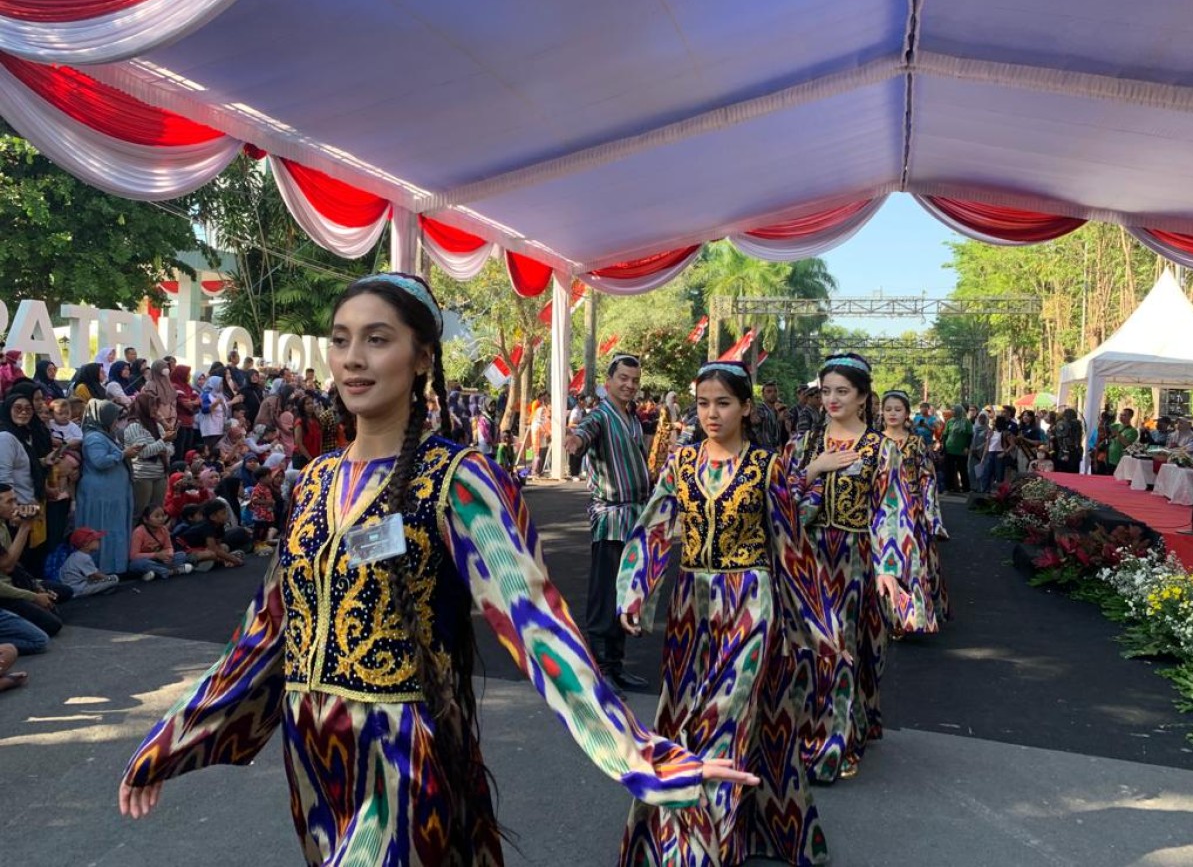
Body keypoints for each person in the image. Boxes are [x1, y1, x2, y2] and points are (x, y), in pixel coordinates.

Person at [118, 273, 755, 864]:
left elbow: (536, 622)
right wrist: (174, 739)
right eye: (341, 341)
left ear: (422, 357)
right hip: (312, 758)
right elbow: (266, 629)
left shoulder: (459, 479)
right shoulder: (312, 481)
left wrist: (637, 753)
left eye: (377, 339)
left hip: (400, 752)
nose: (353, 359)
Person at [616, 360, 837, 865]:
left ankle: (704, 847)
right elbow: (654, 527)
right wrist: (634, 589)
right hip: (690, 608)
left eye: (723, 403)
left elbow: (791, 545)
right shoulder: (681, 463)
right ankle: (685, 830)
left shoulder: (767, 466)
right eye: (702, 404)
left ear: (746, 408)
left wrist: (820, 627)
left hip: (750, 606)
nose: (711, 413)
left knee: (725, 719)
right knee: (683, 715)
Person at [782, 353, 917, 783]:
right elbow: (778, 501)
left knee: (846, 649)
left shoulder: (881, 449)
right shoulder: (803, 444)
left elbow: (892, 510)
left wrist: (889, 567)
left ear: (863, 397)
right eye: (826, 391)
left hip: (856, 560)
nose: (832, 399)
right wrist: (814, 470)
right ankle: (808, 732)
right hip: (805, 559)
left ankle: (837, 741)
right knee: (807, 649)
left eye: (842, 391)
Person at [564, 353, 652, 694]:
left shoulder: (631, 418)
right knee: (604, 596)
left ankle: (615, 666)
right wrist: (575, 442)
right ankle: (600, 669)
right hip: (611, 519)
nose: (629, 385)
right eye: (623, 379)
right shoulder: (599, 416)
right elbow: (584, 432)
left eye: (634, 380)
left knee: (626, 595)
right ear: (608, 381)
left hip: (634, 518)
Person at [879, 390, 947, 630]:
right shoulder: (875, 442)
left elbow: (927, 478)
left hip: (912, 511)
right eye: (888, 409)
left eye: (898, 409)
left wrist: (932, 516)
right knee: (884, 563)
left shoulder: (916, 442)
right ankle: (886, 617)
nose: (893, 414)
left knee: (912, 563)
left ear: (907, 413)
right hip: (883, 512)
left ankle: (910, 617)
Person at [77, 400, 139, 576]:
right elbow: (99, 461)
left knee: (113, 529)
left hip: (112, 494)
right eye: (113, 418)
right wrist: (123, 454)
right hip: (101, 495)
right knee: (103, 529)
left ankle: (115, 567)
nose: (116, 422)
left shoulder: (104, 435)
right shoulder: (94, 437)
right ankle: (101, 569)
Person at [0, 484, 65, 641]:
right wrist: (25, 527)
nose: (15, 506)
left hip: (11, 583)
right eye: (9, 502)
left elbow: (13, 567)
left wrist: (35, 587)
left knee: (63, 592)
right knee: (47, 631)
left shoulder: (3, 524)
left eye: (15, 501)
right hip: (4, 592)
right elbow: (7, 564)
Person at [124, 394, 175, 517]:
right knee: (141, 512)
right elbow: (143, 452)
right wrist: (162, 442)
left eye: (156, 406)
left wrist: (160, 447)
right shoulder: (134, 426)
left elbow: (171, 449)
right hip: (143, 477)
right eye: (152, 406)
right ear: (143, 407)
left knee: (157, 512)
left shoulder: (156, 425)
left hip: (160, 474)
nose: (155, 409)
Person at [130, 506, 193, 581]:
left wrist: (168, 555)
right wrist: (155, 555)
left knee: (181, 555)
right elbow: (134, 556)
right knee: (137, 564)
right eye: (157, 516)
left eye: (163, 516)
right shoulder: (139, 532)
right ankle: (172, 571)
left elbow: (169, 547)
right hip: (147, 560)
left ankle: (156, 572)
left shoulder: (164, 529)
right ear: (145, 519)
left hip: (160, 560)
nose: (161, 519)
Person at [60, 528, 121, 595]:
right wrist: (109, 578)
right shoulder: (84, 557)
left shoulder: (76, 555)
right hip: (79, 589)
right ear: (86, 544)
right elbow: (96, 575)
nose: (99, 541)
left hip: (72, 586)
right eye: (96, 540)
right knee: (114, 579)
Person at [940, 405, 973, 493]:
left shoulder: (966, 422)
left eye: (954, 410)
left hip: (961, 450)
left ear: (959, 411)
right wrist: (944, 447)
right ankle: (949, 488)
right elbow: (945, 435)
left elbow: (970, 435)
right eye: (952, 410)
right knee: (949, 469)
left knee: (962, 469)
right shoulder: (950, 421)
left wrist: (967, 447)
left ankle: (966, 488)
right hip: (950, 449)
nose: (952, 412)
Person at [1050, 408, 1084, 474]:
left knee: (1065, 471)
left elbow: (1059, 437)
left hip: (1067, 450)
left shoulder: (1063, 424)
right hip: (1074, 450)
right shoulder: (1078, 423)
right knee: (1073, 472)